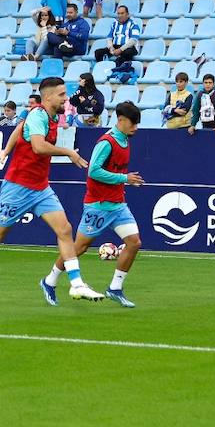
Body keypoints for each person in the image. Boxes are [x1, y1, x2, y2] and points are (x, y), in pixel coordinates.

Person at [0, 77, 103, 303]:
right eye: (62, 95)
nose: (66, 98)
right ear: (49, 97)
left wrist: (5, 151)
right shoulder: (38, 115)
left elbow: (19, 129)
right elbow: (38, 146)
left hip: (40, 187)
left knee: (64, 229)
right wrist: (69, 152)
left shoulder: (48, 116)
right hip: (18, 187)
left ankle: (76, 284)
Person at [38, 102, 144, 308]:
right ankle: (49, 281)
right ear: (121, 120)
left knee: (134, 242)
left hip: (118, 205)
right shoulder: (106, 142)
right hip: (98, 205)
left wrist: (123, 181)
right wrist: (124, 178)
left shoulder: (125, 141)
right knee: (78, 247)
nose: (136, 128)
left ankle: (115, 288)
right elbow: (93, 171)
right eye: (133, 123)